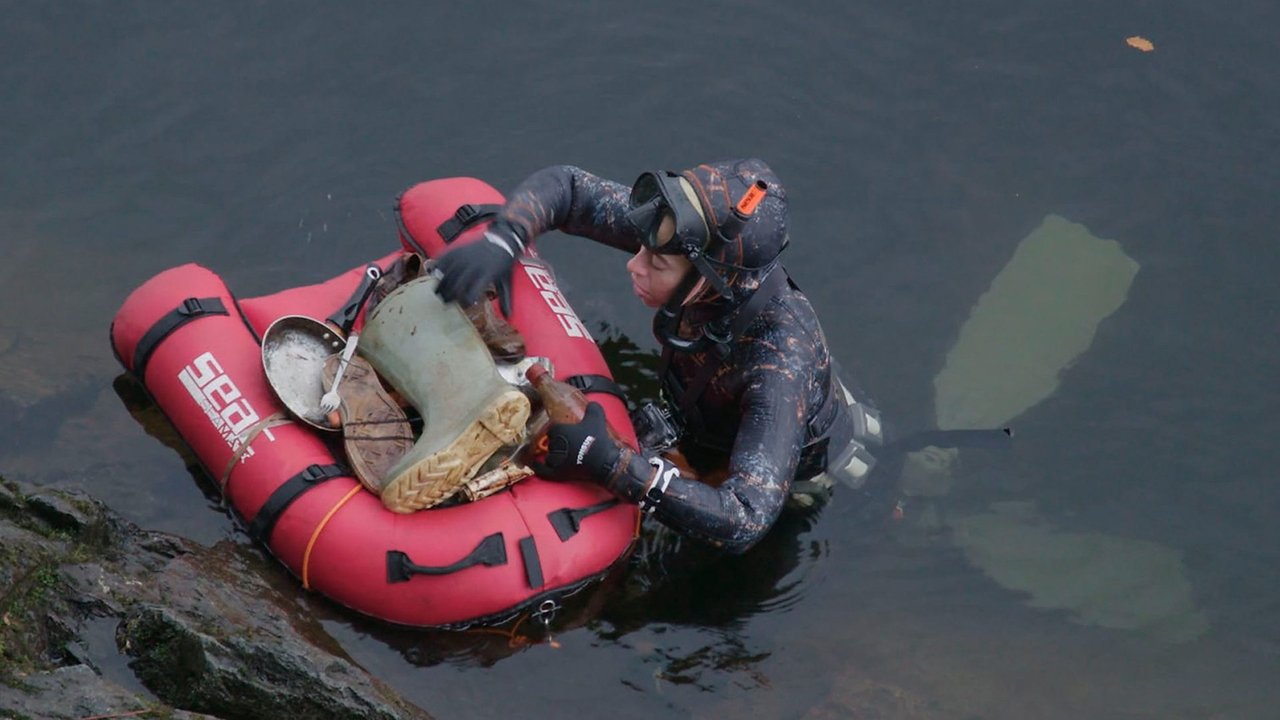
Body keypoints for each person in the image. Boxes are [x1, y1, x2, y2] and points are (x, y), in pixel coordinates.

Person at [434, 159, 883, 554]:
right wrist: (505, 239)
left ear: (711, 282)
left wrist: (613, 464)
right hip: (704, 409)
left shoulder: (778, 365)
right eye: (642, 250)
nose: (634, 264)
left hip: (798, 485)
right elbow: (567, 188)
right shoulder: (685, 240)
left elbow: (743, 520)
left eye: (657, 265)